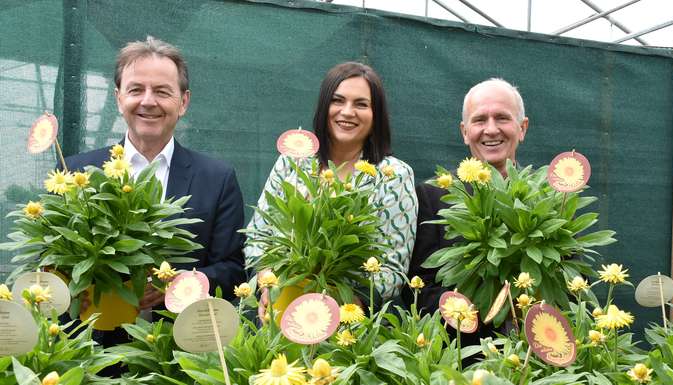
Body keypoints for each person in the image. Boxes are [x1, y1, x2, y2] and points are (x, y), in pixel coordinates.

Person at [63, 36, 247, 309]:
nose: (148, 101)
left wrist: (187, 284)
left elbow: (234, 269)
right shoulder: (76, 173)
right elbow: (54, 261)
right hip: (94, 339)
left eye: (162, 91)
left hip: (181, 343)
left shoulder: (218, 179)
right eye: (136, 89)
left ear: (183, 102)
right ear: (118, 98)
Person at [244, 62, 417, 305]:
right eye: (338, 100)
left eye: (361, 104)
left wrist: (343, 307)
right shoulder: (292, 161)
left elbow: (393, 268)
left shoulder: (393, 175)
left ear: (376, 114)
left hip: (347, 318)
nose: (347, 112)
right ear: (324, 106)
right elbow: (258, 236)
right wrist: (267, 285)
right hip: (282, 302)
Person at [406, 78, 529, 331]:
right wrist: (471, 318)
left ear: (522, 128)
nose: (491, 129)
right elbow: (418, 287)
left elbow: (572, 282)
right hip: (460, 357)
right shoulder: (433, 195)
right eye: (480, 120)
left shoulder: (548, 196)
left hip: (533, 355)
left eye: (502, 118)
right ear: (465, 131)